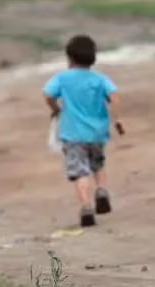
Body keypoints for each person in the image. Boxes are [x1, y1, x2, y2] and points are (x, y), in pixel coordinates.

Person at [43, 35, 124, 227]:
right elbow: (114, 96)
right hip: (97, 133)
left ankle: (86, 206)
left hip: (73, 134)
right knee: (98, 163)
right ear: (93, 58)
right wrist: (117, 119)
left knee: (79, 171)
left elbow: (47, 94)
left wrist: (55, 109)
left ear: (69, 58)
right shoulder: (100, 79)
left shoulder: (62, 78)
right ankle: (101, 190)